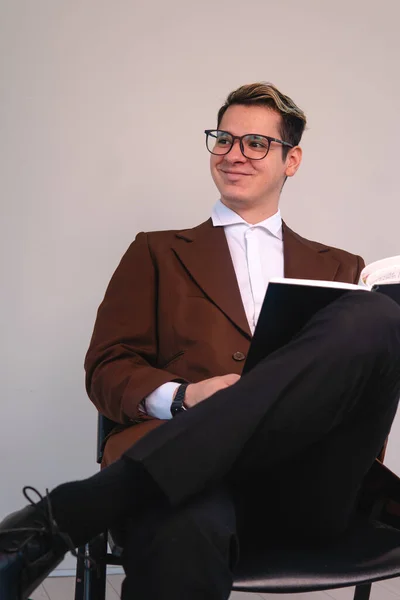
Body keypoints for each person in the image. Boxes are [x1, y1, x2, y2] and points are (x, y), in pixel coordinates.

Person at [1, 82, 400, 600]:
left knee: (376, 314)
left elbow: (355, 388)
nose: (235, 155)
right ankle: (134, 489)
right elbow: (106, 367)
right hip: (187, 484)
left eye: (256, 143)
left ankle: (78, 508)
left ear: (291, 160)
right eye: (224, 139)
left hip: (307, 483)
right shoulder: (156, 253)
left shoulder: (341, 267)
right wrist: (184, 397)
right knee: (177, 527)